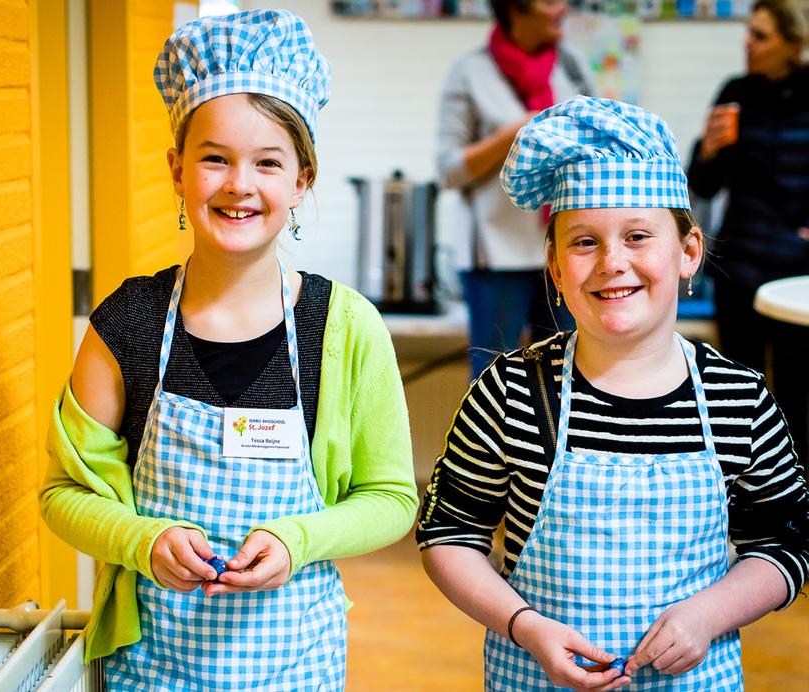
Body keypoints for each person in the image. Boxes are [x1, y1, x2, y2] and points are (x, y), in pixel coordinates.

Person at [40, 10, 417, 690]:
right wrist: (143, 541)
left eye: (267, 162)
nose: (239, 183)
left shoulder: (344, 328)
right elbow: (63, 493)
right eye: (215, 158)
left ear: (302, 181)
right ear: (178, 170)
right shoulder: (126, 324)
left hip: (296, 664)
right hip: (151, 666)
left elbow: (391, 497)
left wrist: (296, 541)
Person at [418, 96, 808, 690]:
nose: (612, 263)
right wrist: (523, 625)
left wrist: (709, 614)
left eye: (637, 236)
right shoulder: (513, 391)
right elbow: (448, 533)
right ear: (552, 265)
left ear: (688, 252)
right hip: (534, 674)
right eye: (583, 242)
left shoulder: (739, 398)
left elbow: (786, 543)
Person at [436, 0, 594, 378]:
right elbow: (448, 171)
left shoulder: (571, 66)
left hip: (563, 250)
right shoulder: (470, 73)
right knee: (494, 378)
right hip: (495, 257)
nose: (562, 8)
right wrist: (518, 131)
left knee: (568, 374)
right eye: (550, 1)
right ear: (515, 9)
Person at [688, 0, 809, 465]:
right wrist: (709, 148)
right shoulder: (736, 91)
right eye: (748, 32)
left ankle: (797, 514)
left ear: (793, 44)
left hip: (798, 277)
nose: (748, 44)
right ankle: (743, 507)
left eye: (761, 36)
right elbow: (701, 184)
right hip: (739, 266)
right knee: (739, 400)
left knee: (798, 398)